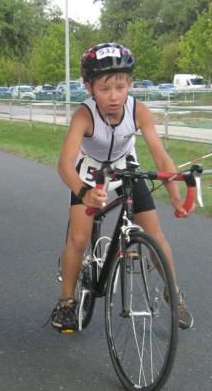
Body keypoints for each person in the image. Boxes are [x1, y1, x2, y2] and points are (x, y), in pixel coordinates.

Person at [51, 42, 194, 333]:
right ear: (90, 88)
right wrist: (83, 192)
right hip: (89, 169)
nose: (114, 96)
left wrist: (175, 196)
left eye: (120, 86)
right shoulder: (84, 115)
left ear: (129, 83)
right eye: (104, 89)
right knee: (79, 239)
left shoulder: (139, 110)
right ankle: (66, 300)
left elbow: (160, 156)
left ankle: (173, 292)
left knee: (155, 234)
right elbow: (64, 164)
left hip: (125, 164)